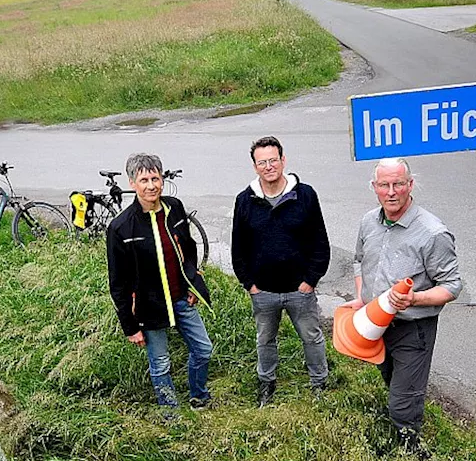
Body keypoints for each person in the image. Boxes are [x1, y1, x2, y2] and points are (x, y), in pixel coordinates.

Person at [352, 157, 461, 455]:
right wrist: (363, 298)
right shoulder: (368, 222)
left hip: (413, 329)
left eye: (398, 184)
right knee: (390, 380)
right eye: (384, 185)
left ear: (410, 185)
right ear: (374, 187)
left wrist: (415, 298)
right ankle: (403, 427)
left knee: (402, 401)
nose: (391, 192)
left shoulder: (432, 233)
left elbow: (452, 286)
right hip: (377, 324)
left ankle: (412, 453)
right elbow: (360, 261)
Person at [106, 153, 214, 411]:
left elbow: (188, 247)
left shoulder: (174, 207)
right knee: (161, 363)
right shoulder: (120, 228)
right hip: (149, 307)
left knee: (203, 350)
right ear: (133, 183)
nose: (151, 185)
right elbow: (117, 283)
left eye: (156, 178)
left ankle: (198, 396)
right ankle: (170, 411)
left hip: (180, 298)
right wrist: (130, 326)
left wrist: (192, 284)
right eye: (144, 180)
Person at [232, 136, 332, 406]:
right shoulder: (245, 200)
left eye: (273, 160)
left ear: (283, 160)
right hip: (263, 291)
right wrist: (250, 284)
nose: (268, 166)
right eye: (261, 162)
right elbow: (238, 248)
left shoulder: (305, 194)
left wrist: (310, 280)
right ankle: (266, 383)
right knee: (265, 340)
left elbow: (320, 242)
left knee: (311, 337)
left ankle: (319, 383)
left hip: (300, 289)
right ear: (255, 167)